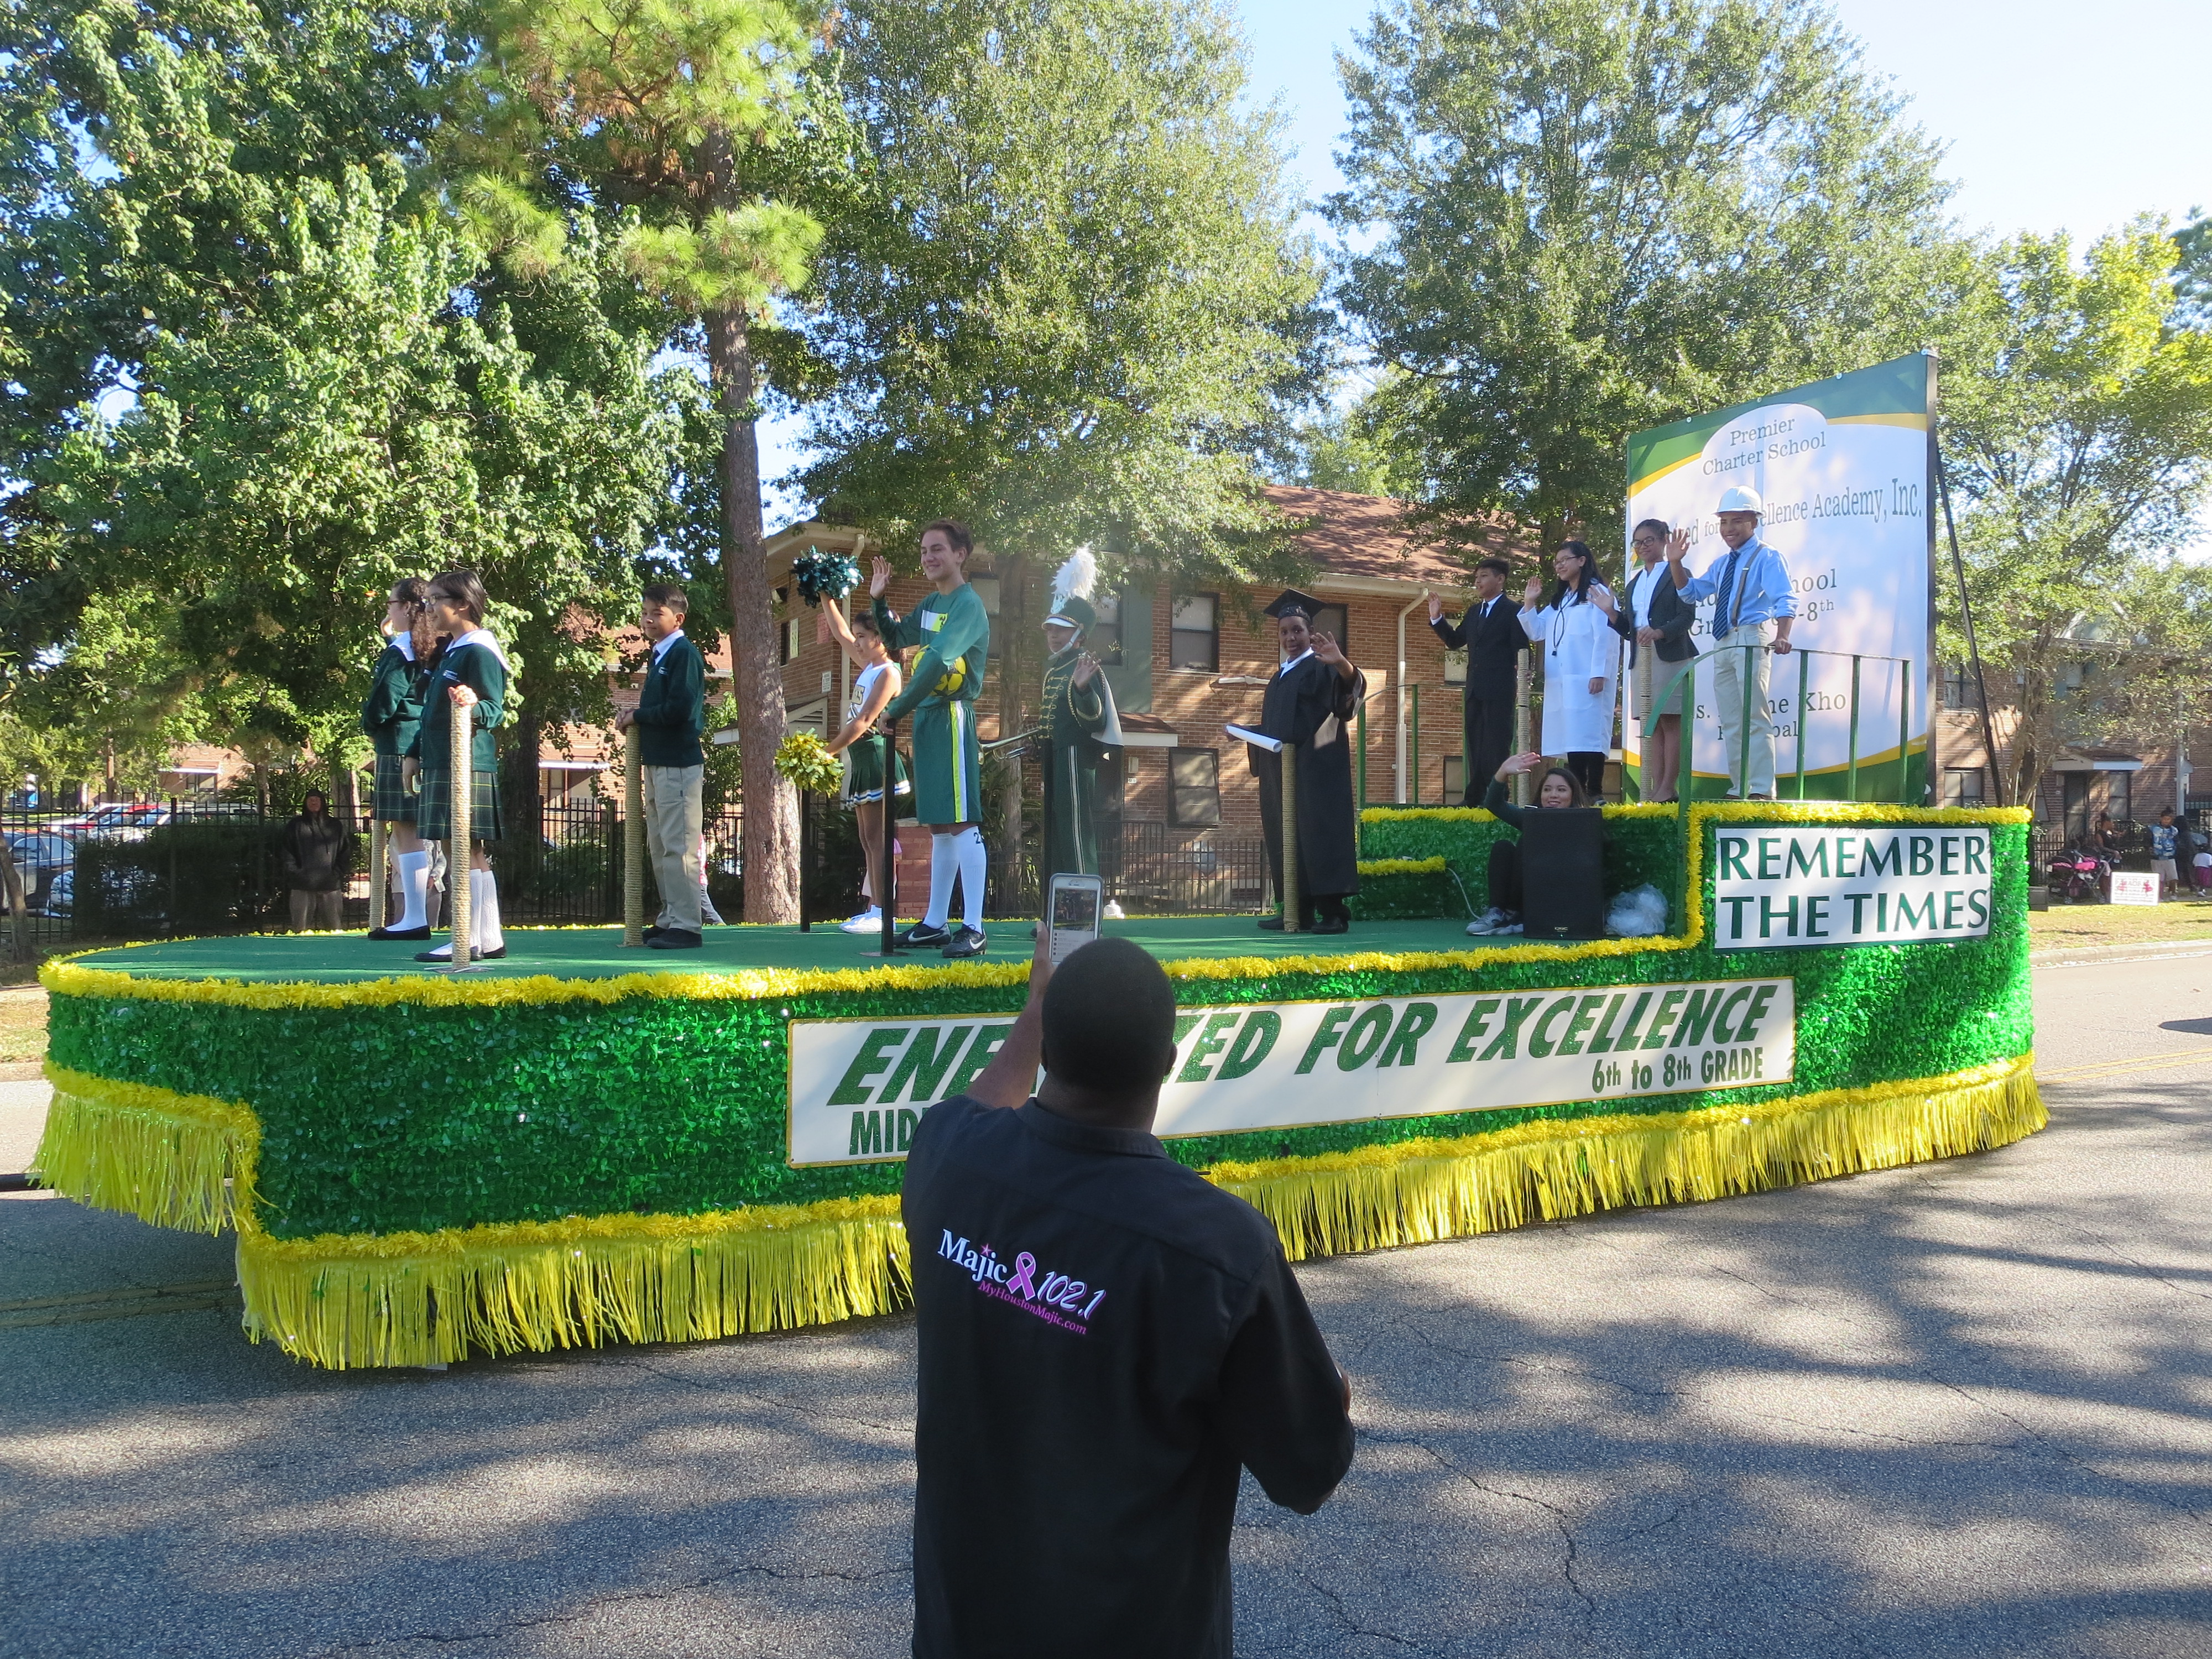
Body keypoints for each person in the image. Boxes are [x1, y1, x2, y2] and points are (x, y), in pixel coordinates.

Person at [903, 928, 1355, 1658]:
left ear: (1049, 1044)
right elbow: (1309, 1473)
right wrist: (1325, 1400)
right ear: (1167, 1065)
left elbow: (979, 1105)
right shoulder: (1218, 1248)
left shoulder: (948, 1160)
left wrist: (1037, 1007)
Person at [870, 519, 992, 958]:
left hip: (952, 716)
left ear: (961, 554)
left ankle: (974, 926)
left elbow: (938, 662)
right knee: (940, 825)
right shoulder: (927, 604)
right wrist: (879, 601)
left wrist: (895, 710)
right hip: (926, 717)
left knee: (961, 821)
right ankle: (935, 923)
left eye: (937, 549)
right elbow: (897, 639)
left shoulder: (968, 606)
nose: (929, 557)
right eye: (924, 551)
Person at [1246, 591, 1367, 934]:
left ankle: (1333, 913)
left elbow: (1348, 705)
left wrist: (1342, 663)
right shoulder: (1280, 675)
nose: (1291, 638)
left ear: (1309, 631)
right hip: (1283, 773)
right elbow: (1281, 727)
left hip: (1318, 771)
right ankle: (1297, 910)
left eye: (1297, 630)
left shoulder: (1321, 666)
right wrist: (1248, 733)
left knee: (1320, 835)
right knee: (1286, 836)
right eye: (1284, 632)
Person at [1666, 485, 1797, 799]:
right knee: (1731, 721)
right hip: (1723, 642)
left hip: (1751, 636)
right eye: (1724, 522)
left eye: (1737, 521)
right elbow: (1691, 592)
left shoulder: (1767, 556)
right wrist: (1674, 563)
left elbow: (1785, 598)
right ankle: (1741, 788)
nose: (1729, 529)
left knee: (1754, 715)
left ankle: (1763, 789)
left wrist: (1783, 636)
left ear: (1754, 522)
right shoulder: (1724, 563)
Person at [409, 568, 508, 963]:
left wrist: (471, 702)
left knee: (465, 850)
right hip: (440, 760)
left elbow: (493, 709)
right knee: (465, 850)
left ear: (462, 604)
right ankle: (487, 937)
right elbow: (430, 714)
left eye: (435, 599)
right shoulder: (451, 650)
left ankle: (468, 937)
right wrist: (414, 755)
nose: (428, 607)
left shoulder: (479, 650)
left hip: (466, 763)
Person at [615, 583, 708, 951]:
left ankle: (687, 925)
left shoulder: (683, 654)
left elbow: (680, 710)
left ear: (678, 618)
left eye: (657, 613)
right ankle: (671, 917)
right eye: (645, 613)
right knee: (659, 843)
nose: (648, 619)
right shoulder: (660, 655)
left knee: (679, 845)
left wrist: (638, 714)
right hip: (656, 764)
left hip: (678, 764)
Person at [818, 599, 911, 935]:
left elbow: (864, 719)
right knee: (867, 838)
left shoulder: (889, 672)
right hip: (860, 758)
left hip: (875, 757)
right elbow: (840, 635)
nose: (856, 641)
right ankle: (875, 907)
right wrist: (827, 597)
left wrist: (827, 753)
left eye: (863, 636)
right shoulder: (869, 665)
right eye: (857, 635)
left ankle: (885, 911)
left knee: (877, 837)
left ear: (881, 638)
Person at [363, 577, 440, 940]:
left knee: (405, 834)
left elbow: (384, 701)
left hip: (397, 746)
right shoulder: (432, 646)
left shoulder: (402, 651)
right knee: (415, 835)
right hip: (424, 743)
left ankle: (414, 918)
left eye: (392, 602)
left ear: (408, 607)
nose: (388, 609)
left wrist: (369, 722)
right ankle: (415, 916)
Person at [1037, 549, 1119, 881]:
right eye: (1050, 629)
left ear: (1079, 635)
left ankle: (1082, 912)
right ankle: (1056, 915)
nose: (1053, 635)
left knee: (1074, 832)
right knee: (1055, 833)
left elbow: (1096, 721)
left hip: (1075, 757)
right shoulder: (1055, 668)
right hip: (1054, 755)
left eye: (1061, 629)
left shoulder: (1085, 666)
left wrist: (1084, 689)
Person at [1602, 521, 1697, 802]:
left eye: (1649, 541)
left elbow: (1686, 616)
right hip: (1641, 657)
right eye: (1638, 543)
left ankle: (1669, 787)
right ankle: (1657, 789)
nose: (1643, 547)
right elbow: (1631, 630)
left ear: (1664, 540)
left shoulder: (1677, 573)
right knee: (1650, 724)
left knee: (1670, 721)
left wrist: (1660, 632)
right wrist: (1611, 613)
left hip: (1670, 653)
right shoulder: (1633, 585)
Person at [1517, 541, 1618, 802]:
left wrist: (1600, 673)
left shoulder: (1597, 593)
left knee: (1590, 735)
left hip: (1588, 677)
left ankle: (1594, 791)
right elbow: (1537, 631)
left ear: (1582, 561)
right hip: (1562, 680)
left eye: (1565, 560)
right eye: (1556, 562)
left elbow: (1606, 635)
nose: (1559, 565)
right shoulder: (1561, 601)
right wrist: (1529, 603)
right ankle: (1576, 791)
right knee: (1572, 736)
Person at [1427, 556, 1529, 802]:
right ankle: (1475, 795)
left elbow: (1522, 648)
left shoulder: (1514, 611)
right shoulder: (1474, 612)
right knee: (1475, 744)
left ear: (1500, 579)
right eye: (1476, 577)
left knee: (1496, 744)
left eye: (1484, 576)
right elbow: (1454, 641)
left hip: (1500, 689)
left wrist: (1525, 673)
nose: (1478, 581)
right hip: (1474, 689)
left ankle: (1497, 795)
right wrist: (1437, 618)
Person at [1465, 751, 1592, 936]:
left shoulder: (1586, 822)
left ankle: (1516, 914)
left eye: (1562, 790)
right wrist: (1503, 772)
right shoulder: (1532, 818)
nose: (1553, 795)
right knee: (1503, 847)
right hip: (1526, 894)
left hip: (1559, 899)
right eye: (1547, 789)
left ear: (1573, 795)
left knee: (1527, 841)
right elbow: (1494, 804)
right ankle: (1500, 913)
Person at [279, 790, 354, 932]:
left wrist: (336, 874)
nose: (314, 803)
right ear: (305, 803)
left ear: (323, 803)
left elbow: (345, 852)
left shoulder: (335, 826)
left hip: (330, 885)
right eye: (311, 800)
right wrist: (295, 873)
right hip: (302, 885)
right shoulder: (295, 825)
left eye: (317, 800)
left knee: (334, 929)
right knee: (300, 930)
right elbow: (287, 852)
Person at [2151, 807, 2180, 898]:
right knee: (2158, 878)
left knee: (2173, 877)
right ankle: (2159, 895)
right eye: (2164, 819)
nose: (2166, 821)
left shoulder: (2174, 831)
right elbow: (2148, 840)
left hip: (2170, 856)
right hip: (2156, 856)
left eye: (2168, 819)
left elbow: (2177, 842)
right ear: (2161, 818)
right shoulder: (2153, 829)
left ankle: (2173, 893)